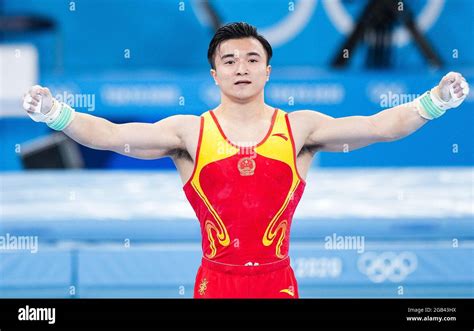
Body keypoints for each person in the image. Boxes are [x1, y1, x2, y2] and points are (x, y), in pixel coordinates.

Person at [22, 22, 469, 298]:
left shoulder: (300, 129)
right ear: (214, 73)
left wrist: (434, 102)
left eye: (252, 58)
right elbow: (113, 136)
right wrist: (56, 113)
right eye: (229, 60)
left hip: (277, 284)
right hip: (215, 284)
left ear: (267, 71)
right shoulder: (190, 132)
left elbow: (378, 127)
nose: (241, 67)